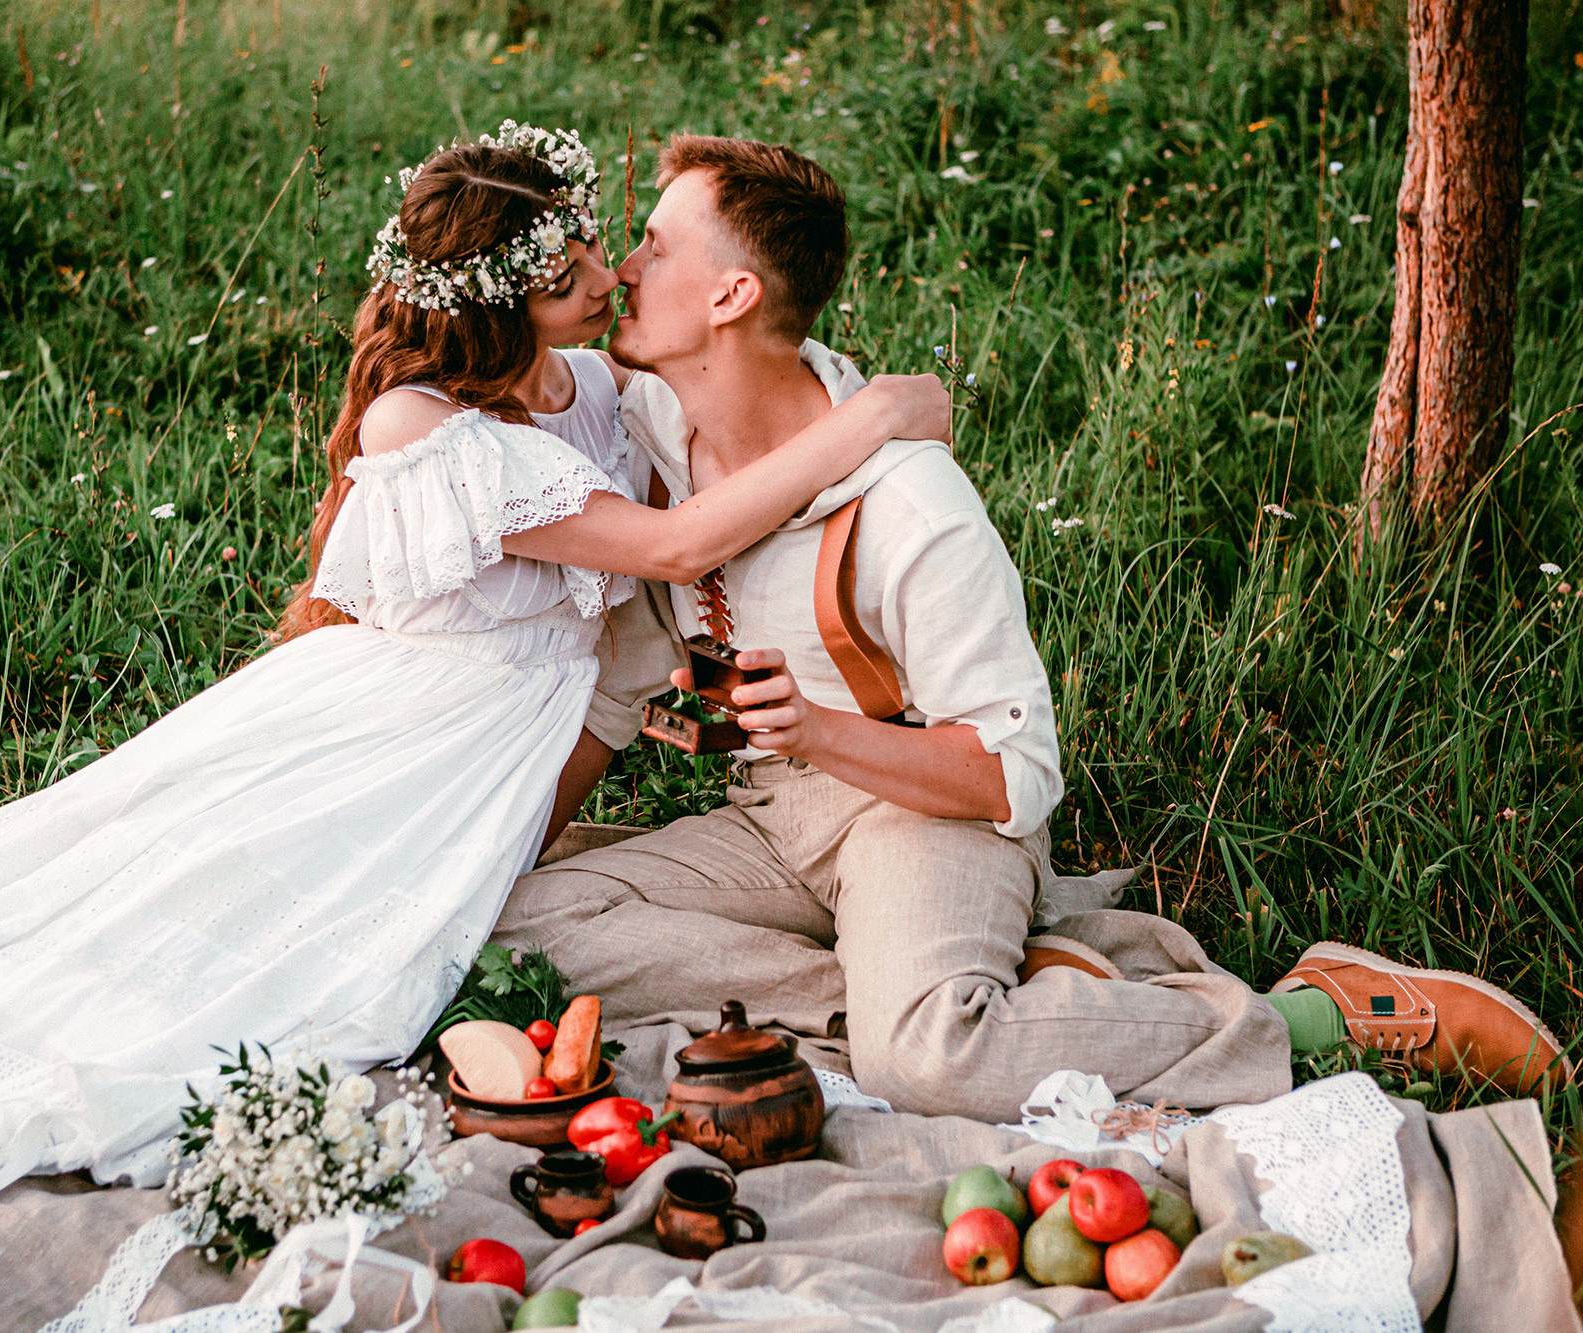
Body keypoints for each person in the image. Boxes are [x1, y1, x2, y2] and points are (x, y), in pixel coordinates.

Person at [0, 124, 949, 1263]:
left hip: (481, 762)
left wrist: (820, 399)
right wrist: (866, 420)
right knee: (179, 962)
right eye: (576, 257)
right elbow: (667, 548)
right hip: (386, 740)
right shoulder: (436, 429)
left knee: (335, 955)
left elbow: (654, 548)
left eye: (603, 240)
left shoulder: (594, 388)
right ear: (505, 293)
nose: (608, 268)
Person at [494, 134, 1571, 1122]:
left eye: (650, 244)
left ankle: (1318, 1013)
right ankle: (989, 995)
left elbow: (1014, 778)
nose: (622, 269)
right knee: (512, 928)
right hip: (773, 818)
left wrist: (817, 731)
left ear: (731, 294)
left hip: (918, 813)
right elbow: (615, 676)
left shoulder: (910, 504)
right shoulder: (642, 428)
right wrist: (502, 855)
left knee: (923, 1061)